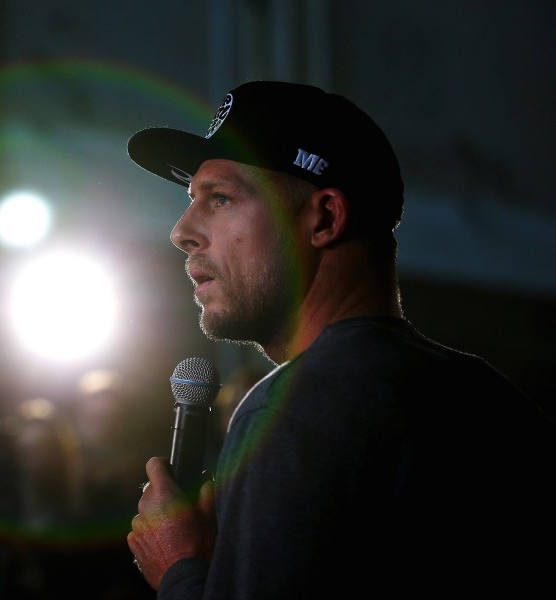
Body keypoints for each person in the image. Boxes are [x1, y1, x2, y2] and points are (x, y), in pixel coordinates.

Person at [124, 81, 555, 598]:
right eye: (190, 198)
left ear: (324, 218)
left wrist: (179, 567)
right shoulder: (493, 399)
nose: (182, 230)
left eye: (220, 198)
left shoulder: (299, 408)